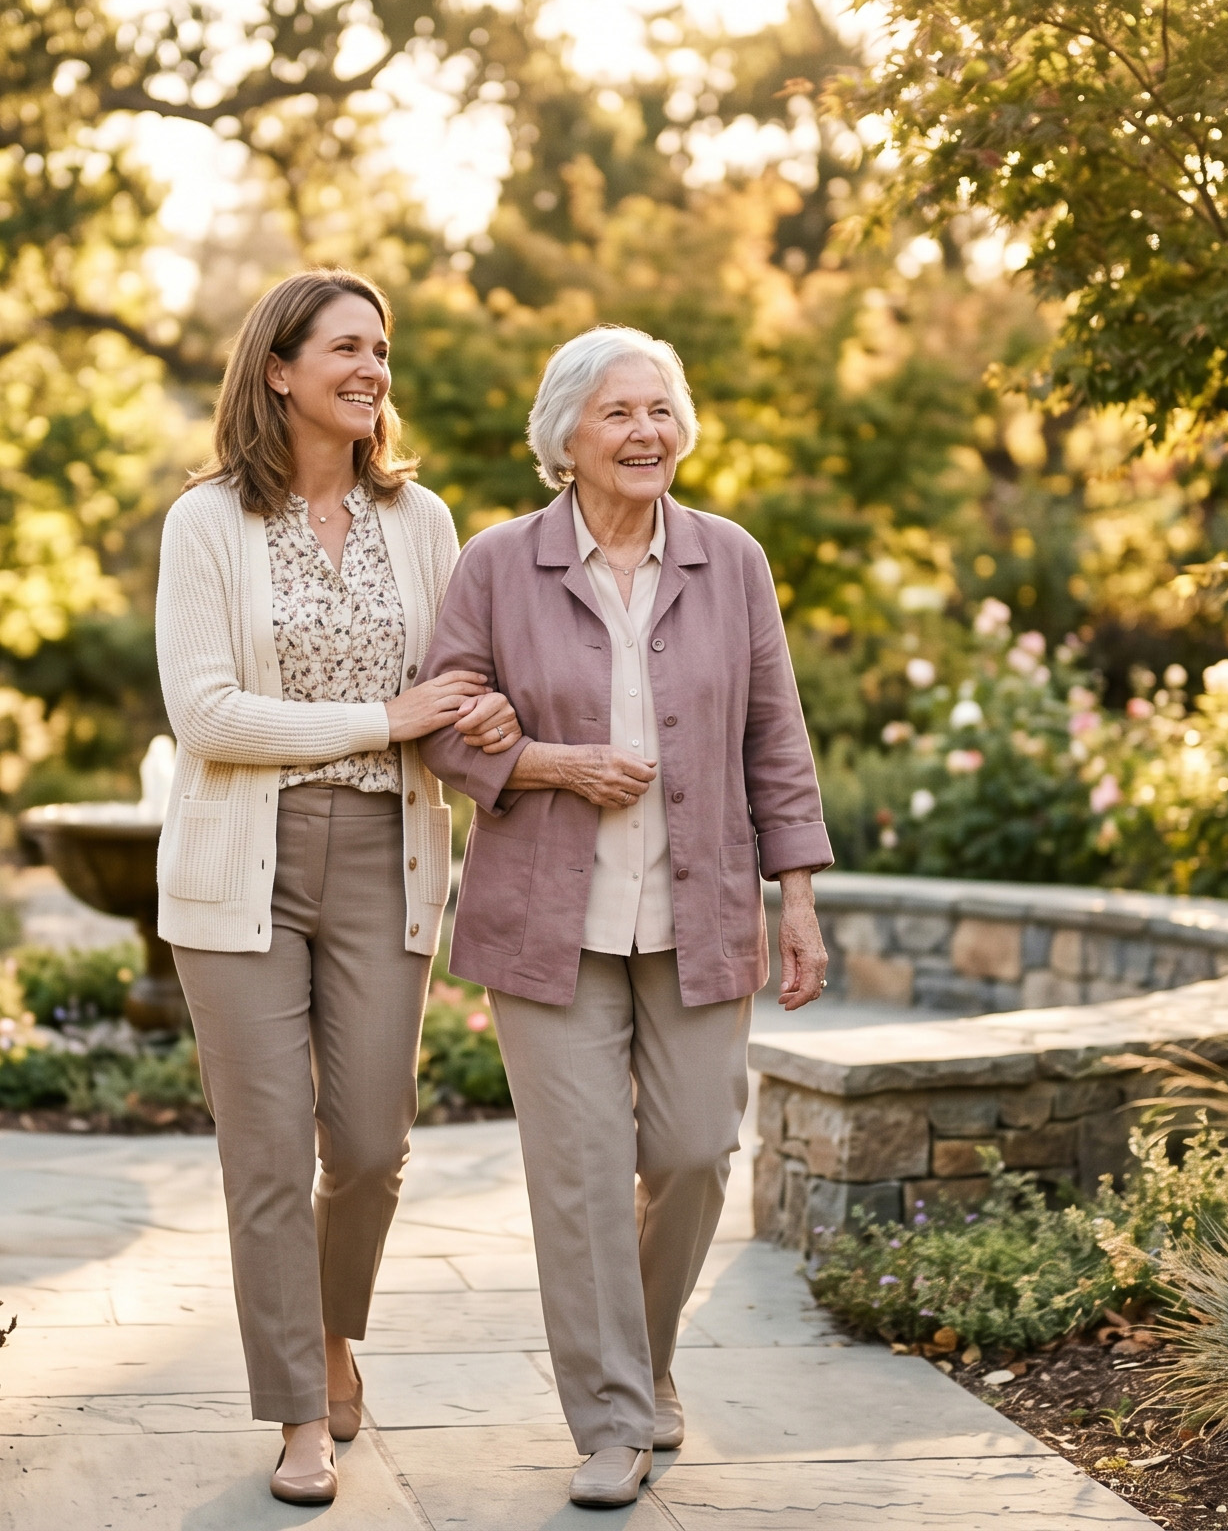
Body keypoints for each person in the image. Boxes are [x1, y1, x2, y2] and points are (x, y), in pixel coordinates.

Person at [418, 325, 832, 1508]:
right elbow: (444, 718)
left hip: (698, 907)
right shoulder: (499, 564)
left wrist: (793, 894)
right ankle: (610, 1418)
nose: (645, 432)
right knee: (584, 1174)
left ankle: (642, 1362)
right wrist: (546, 762)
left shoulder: (730, 559)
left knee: (697, 1152)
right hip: (547, 921)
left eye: (659, 410)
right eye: (618, 414)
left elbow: (775, 735)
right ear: (566, 437)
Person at [153, 268, 519, 1505]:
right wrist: (381, 714)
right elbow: (202, 714)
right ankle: (299, 1414)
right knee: (265, 1154)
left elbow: (453, 689)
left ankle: (333, 1327)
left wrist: (487, 711)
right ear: (278, 369)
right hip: (236, 865)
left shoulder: (423, 522)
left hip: (386, 854)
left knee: (368, 1142)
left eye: (381, 350)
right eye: (345, 348)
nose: (372, 369)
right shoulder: (204, 522)